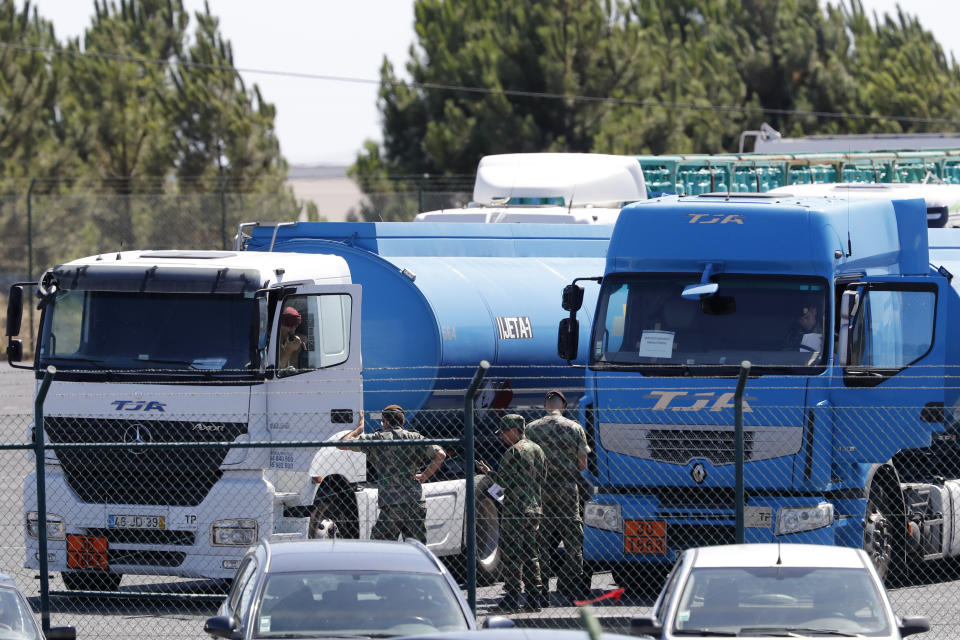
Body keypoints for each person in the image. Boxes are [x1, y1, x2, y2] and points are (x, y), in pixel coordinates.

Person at [338, 404, 446, 543]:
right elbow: (441, 455)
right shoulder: (414, 437)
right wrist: (425, 475)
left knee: (382, 547)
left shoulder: (377, 439)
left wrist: (359, 430)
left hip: (392, 503)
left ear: (385, 422)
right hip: (415, 500)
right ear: (402, 422)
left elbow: (341, 444)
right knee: (417, 547)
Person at [525, 389, 590, 604]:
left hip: (540, 489)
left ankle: (540, 588)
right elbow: (582, 465)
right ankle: (570, 584)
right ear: (563, 406)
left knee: (540, 539)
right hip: (566, 488)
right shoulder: (575, 428)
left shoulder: (531, 429)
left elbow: (527, 462)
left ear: (545, 406)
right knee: (573, 538)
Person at [478, 414, 547, 613]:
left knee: (512, 554)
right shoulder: (537, 449)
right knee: (531, 553)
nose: (502, 437)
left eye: (504, 433)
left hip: (515, 510)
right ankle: (535, 597)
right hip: (534, 509)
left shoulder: (512, 452)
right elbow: (542, 478)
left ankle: (512, 596)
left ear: (515, 431)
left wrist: (491, 478)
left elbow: (503, 486)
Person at [278, 306, 304, 371]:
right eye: (289, 326)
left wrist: (302, 349)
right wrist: (289, 350)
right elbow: (277, 368)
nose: (292, 330)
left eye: (295, 326)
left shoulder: (296, 340)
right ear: (280, 325)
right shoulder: (271, 341)